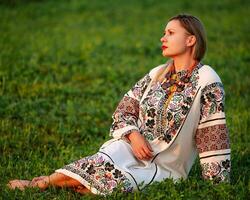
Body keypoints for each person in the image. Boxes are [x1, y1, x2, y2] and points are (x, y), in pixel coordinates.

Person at [7, 14, 231, 196]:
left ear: (191, 40)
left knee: (116, 184)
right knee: (104, 158)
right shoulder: (156, 74)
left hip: (166, 167)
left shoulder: (207, 80)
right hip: (132, 149)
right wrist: (133, 135)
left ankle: (81, 185)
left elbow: (212, 131)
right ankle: (42, 183)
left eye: (170, 33)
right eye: (164, 33)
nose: (163, 38)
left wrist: (216, 184)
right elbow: (124, 110)